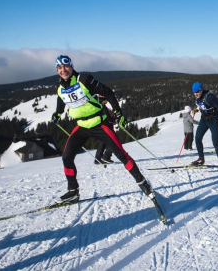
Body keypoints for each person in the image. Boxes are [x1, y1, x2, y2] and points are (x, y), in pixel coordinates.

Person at [51, 55, 154, 204]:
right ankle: (73, 192)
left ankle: (144, 185)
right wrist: (57, 114)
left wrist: (119, 113)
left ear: (71, 66)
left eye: (65, 66)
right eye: (59, 68)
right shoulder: (60, 88)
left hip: (99, 123)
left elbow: (108, 92)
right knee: (67, 157)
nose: (63, 70)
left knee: (121, 154)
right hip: (81, 126)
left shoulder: (84, 79)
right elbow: (61, 103)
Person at [191, 82, 218, 171]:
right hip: (204, 120)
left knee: (215, 142)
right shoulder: (198, 98)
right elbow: (201, 105)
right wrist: (196, 110)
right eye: (194, 92)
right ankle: (201, 158)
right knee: (197, 138)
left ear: (201, 90)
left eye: (197, 92)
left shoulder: (209, 97)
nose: (196, 94)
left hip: (214, 120)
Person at [94, 96, 114, 164]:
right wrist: (114, 120)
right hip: (107, 126)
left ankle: (98, 158)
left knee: (103, 142)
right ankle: (106, 156)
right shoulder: (103, 107)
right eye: (106, 99)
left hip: (102, 126)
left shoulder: (99, 106)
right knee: (113, 141)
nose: (107, 101)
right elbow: (108, 118)